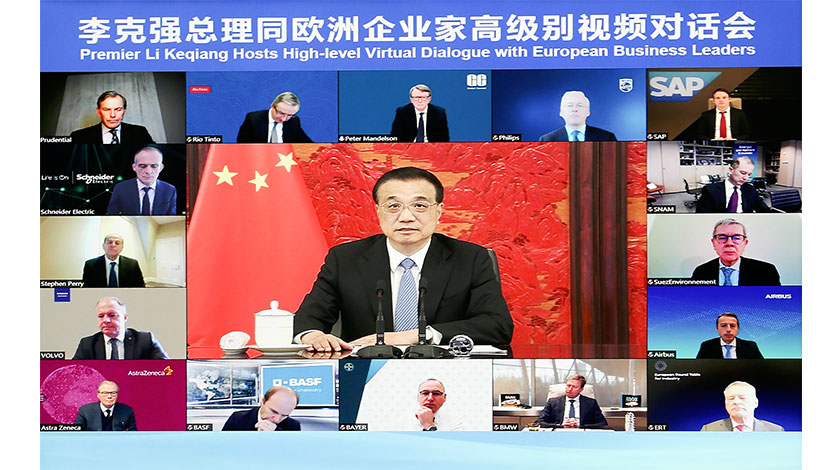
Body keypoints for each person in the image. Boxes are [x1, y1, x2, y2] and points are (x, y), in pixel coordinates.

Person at [293, 167, 512, 351]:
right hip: (365, 369)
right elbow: (307, 319)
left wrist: (418, 336)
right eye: (393, 206)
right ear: (378, 211)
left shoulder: (470, 258)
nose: (406, 217)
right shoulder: (345, 259)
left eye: (420, 206)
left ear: (438, 212)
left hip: (444, 369)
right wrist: (312, 336)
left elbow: (497, 325)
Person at [690, 218, 781, 286]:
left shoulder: (766, 271)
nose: (729, 243)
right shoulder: (701, 272)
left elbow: (775, 303)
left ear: (745, 243)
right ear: (714, 243)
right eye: (722, 238)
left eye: (737, 238)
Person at [72, 296, 168, 360]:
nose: (106, 320)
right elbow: (73, 373)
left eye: (112, 315)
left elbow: (167, 368)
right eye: (101, 316)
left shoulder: (145, 340)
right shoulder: (87, 344)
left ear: (125, 318)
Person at [106, 146, 177, 215]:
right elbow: (111, 215)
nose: (148, 171)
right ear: (134, 167)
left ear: (161, 167)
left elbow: (172, 216)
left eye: (154, 166)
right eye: (143, 166)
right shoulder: (120, 188)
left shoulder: (170, 190)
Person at [70, 91, 154, 144]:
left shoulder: (140, 132)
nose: (112, 115)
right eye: (107, 109)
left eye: (118, 109)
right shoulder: (78, 137)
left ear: (124, 112)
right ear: (99, 112)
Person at [700, 381, 784, 431]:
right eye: (731, 398)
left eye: (742, 398)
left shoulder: (775, 430)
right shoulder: (709, 430)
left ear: (755, 403)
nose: (736, 402)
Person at [696, 157, 769, 213]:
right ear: (731, 170)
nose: (746, 178)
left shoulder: (750, 189)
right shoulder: (710, 190)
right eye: (743, 173)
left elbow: (765, 211)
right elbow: (701, 215)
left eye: (749, 174)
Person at [236, 92, 313, 143]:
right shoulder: (253, 119)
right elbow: (242, 145)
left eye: (289, 115)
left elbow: (307, 144)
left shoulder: (294, 121)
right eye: (281, 113)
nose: (283, 119)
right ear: (272, 106)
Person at [539, 91, 616, 142]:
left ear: (588, 112)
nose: (575, 109)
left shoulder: (606, 138)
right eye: (569, 106)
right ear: (561, 112)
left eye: (580, 105)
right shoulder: (547, 140)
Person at [536, 374, 608, 429]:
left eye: (574, 387)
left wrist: (580, 426)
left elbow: (602, 424)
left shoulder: (591, 403)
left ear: (581, 389)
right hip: (560, 433)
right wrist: (561, 425)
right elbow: (539, 422)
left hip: (582, 434)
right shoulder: (553, 402)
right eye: (568, 386)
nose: (570, 389)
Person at [222, 386, 301, 431]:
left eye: (284, 415)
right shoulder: (238, 418)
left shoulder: (293, 426)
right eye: (273, 411)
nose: (276, 420)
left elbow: (291, 452)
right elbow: (223, 446)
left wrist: (276, 435)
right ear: (263, 401)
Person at [82, 233, 146, 287]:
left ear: (122, 247)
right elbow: (86, 289)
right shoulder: (90, 265)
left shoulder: (132, 264)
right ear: (103, 246)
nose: (113, 245)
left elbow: (140, 287)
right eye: (110, 242)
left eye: (117, 243)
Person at [696, 313, 764, 359]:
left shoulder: (750, 346)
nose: (728, 329)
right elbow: (698, 370)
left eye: (732, 326)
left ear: (738, 329)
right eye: (723, 326)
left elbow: (762, 368)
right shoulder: (707, 346)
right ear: (717, 329)